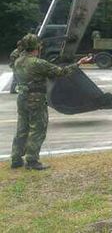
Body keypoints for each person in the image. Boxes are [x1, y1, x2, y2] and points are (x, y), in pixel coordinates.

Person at [11, 34, 91, 170]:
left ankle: (16, 159)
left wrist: (20, 46)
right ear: (37, 47)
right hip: (36, 99)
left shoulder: (17, 61)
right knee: (37, 130)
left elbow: (14, 55)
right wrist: (79, 63)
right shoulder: (38, 63)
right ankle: (32, 161)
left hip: (22, 98)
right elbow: (61, 72)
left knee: (22, 129)